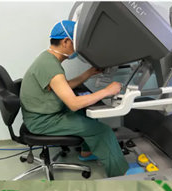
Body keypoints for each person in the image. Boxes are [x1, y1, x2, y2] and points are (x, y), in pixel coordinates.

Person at [19, 20, 132, 177]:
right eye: (77, 43)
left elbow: (63, 86)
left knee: (87, 113)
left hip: (41, 113)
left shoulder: (47, 59)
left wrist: (87, 74)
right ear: (66, 41)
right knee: (103, 131)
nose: (79, 48)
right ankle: (121, 174)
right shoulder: (50, 66)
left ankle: (86, 152)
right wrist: (107, 91)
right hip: (43, 121)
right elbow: (73, 104)